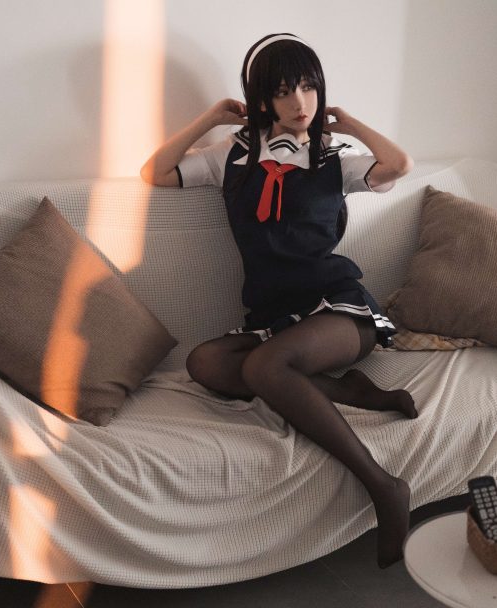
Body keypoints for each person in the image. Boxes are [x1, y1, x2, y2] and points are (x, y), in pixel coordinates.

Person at [140, 33, 415, 568]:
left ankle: (383, 485)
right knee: (205, 363)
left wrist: (349, 124)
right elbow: (156, 173)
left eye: (308, 88)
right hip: (274, 318)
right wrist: (210, 120)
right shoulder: (233, 156)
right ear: (262, 99)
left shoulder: (335, 159)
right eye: (284, 91)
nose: (299, 103)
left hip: (337, 310)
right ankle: (348, 391)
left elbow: (399, 165)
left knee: (265, 367)